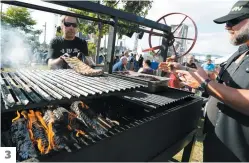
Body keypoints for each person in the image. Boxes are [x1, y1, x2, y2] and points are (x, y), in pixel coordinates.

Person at [159, 0, 249, 161]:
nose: (227, 26)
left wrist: (206, 85)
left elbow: (212, 85)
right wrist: (185, 70)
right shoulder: (239, 53)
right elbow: (220, 83)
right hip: (216, 143)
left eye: (234, 21)